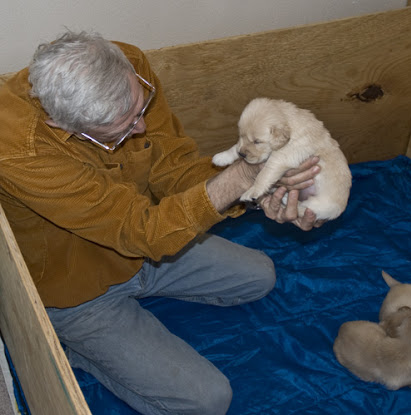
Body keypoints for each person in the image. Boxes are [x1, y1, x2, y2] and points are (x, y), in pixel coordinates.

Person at [0, 30, 323, 415]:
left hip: (146, 251)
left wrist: (257, 193)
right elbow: (139, 230)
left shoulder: (130, 68)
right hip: (76, 287)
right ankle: (76, 347)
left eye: (140, 110)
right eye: (121, 129)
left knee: (261, 276)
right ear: (64, 127)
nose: (140, 128)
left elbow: (173, 166)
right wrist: (242, 177)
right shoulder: (18, 150)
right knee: (208, 401)